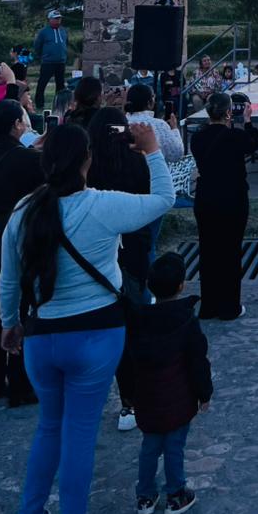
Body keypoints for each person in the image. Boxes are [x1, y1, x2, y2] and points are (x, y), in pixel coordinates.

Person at [0, 119, 174, 514]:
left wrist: (9, 324)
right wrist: (152, 149)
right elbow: (164, 200)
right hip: (96, 335)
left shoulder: (23, 212)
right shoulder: (102, 206)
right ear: (87, 160)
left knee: (49, 429)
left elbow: (7, 279)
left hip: (42, 335)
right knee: (78, 434)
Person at [86, 107, 157, 432]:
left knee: (102, 328)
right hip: (134, 250)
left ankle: (98, 393)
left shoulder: (88, 168)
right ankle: (133, 400)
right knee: (135, 326)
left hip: (98, 255)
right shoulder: (137, 162)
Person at [129, 252, 213, 514]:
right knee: (174, 447)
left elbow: (129, 362)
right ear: (181, 286)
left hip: (147, 400)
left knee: (149, 447)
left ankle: (145, 496)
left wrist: (129, 395)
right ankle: (176, 494)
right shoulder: (187, 321)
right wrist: (204, 394)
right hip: (179, 399)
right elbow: (198, 361)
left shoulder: (139, 321)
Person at [0, 99, 42, 406]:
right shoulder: (28, 160)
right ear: (18, 125)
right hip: (20, 231)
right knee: (23, 303)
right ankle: (20, 383)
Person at [190, 91, 258, 321]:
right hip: (232, 198)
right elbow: (253, 144)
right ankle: (229, 306)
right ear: (229, 112)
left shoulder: (197, 138)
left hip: (205, 198)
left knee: (208, 251)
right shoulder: (235, 137)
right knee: (230, 251)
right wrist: (247, 121)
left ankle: (208, 306)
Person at [124, 84, 184, 162]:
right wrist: (174, 129)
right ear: (149, 103)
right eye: (153, 97)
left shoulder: (121, 123)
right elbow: (176, 154)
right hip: (155, 171)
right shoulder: (159, 125)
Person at [32, 9, 69, 109]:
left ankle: (59, 105)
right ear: (50, 19)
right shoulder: (43, 32)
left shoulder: (63, 31)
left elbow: (66, 43)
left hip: (61, 62)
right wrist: (42, 56)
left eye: (59, 19)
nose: (58, 21)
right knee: (42, 83)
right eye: (56, 19)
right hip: (48, 62)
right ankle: (39, 104)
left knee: (60, 85)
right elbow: (37, 46)